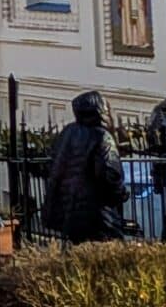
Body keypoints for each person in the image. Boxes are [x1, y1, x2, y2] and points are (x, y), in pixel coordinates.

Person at [41, 91, 125, 244]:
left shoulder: (67, 132)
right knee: (110, 253)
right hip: (97, 213)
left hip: (68, 211)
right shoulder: (102, 137)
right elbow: (110, 174)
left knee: (78, 253)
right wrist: (121, 193)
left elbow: (53, 164)